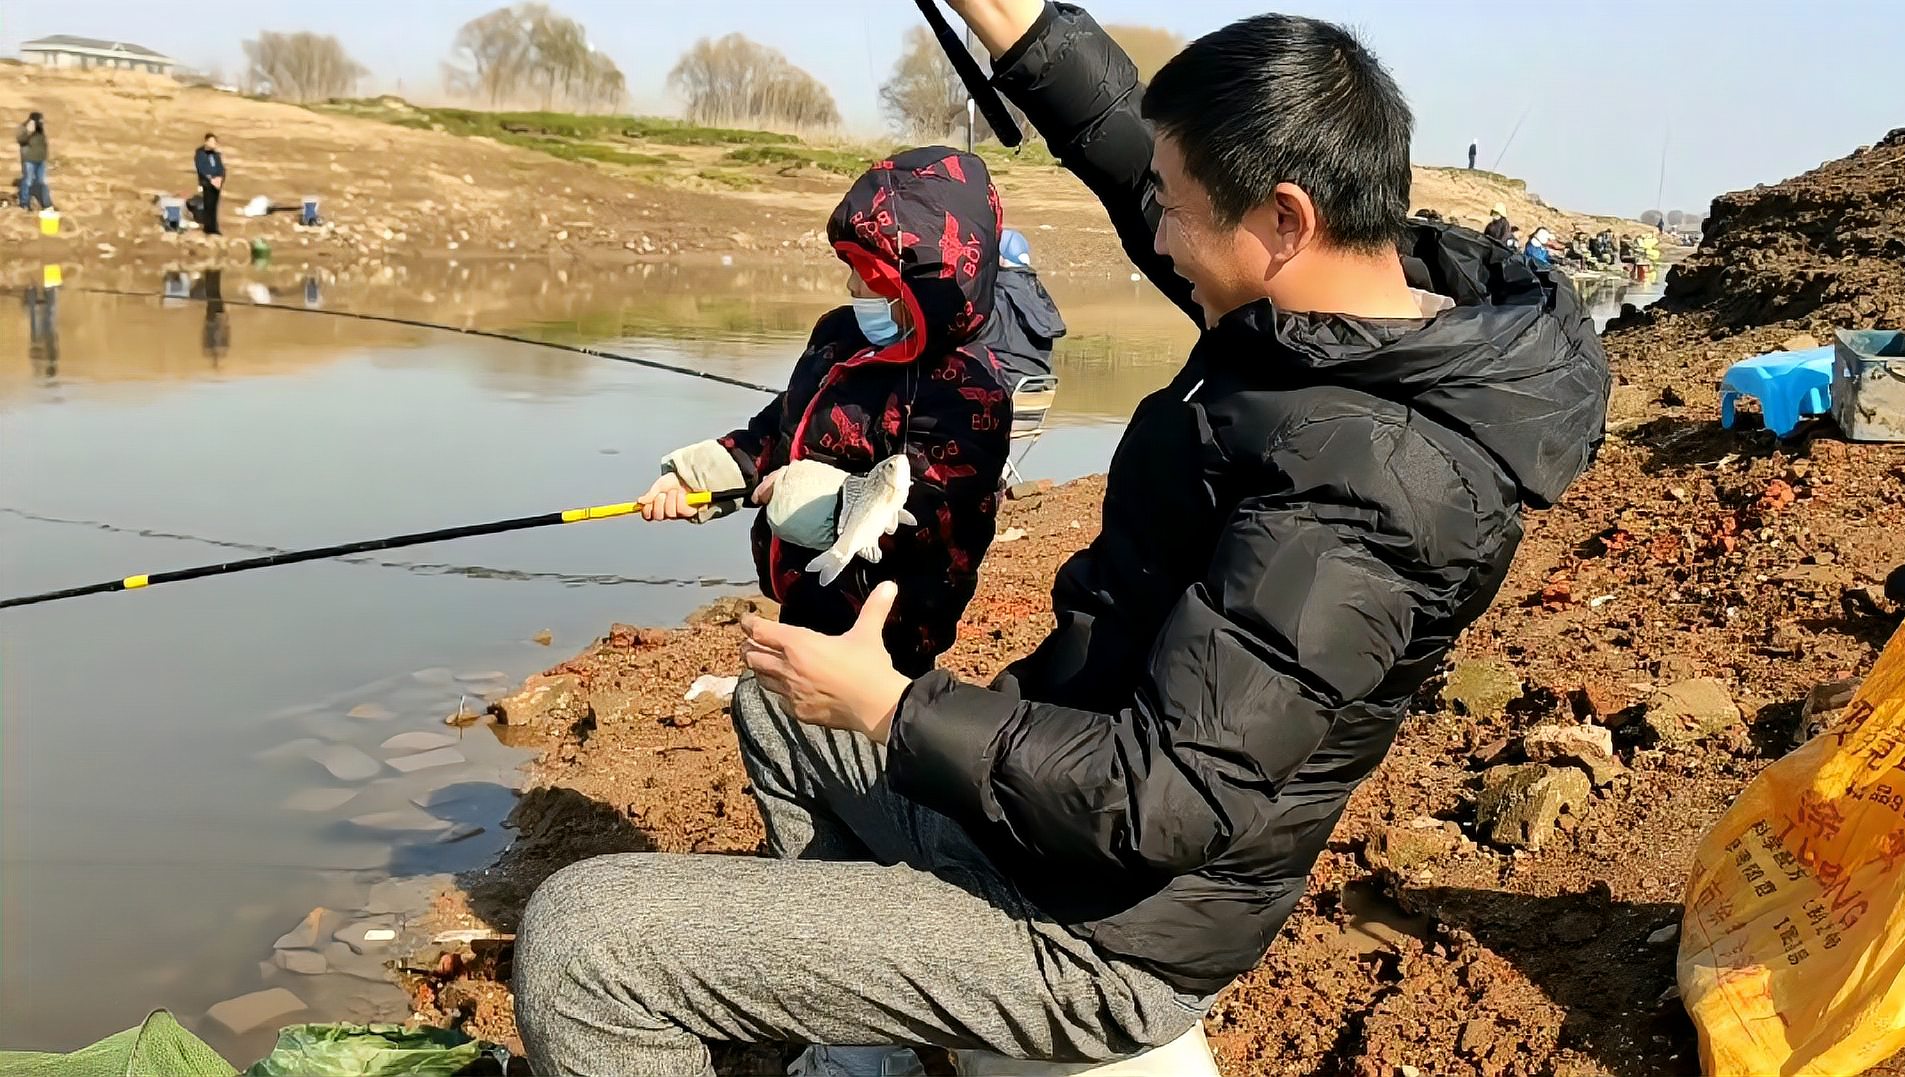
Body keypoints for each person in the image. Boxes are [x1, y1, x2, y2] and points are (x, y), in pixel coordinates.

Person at [512, 3, 1608, 1076]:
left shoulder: (1377, 482)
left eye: (1175, 212)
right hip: (1050, 825)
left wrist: (895, 709)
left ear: (1283, 220)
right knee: (776, 699)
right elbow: (1130, 147)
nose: (1155, 231)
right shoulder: (1334, 311)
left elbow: (1165, 794)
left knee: (583, 945)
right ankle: (866, 1045)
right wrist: (1016, 22)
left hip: (1105, 936)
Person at [635, 146, 1011, 679]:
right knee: (768, 705)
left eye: (870, 274)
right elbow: (780, 428)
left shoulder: (969, 389)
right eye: (850, 267)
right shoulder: (838, 336)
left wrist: (814, 501)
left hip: (885, 632)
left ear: (925, 284)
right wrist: (703, 474)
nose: (852, 286)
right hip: (805, 597)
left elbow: (935, 520)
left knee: (805, 720)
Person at [976, 227, 1067, 390]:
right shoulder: (1039, 295)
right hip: (1038, 389)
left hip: (1002, 388)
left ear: (1001, 259)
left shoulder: (991, 294)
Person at [16, 111, 52, 211]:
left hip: (41, 161)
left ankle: (47, 205)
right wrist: (29, 132)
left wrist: (46, 158)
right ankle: (24, 204)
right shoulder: (25, 128)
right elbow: (21, 140)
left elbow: (43, 144)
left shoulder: (40, 129)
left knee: (42, 182)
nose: (41, 122)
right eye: (40, 120)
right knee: (27, 181)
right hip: (29, 160)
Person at [194, 133, 224, 237]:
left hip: (217, 184)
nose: (213, 144)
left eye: (215, 142)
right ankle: (208, 228)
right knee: (208, 205)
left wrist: (220, 178)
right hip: (207, 183)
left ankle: (214, 228)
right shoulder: (200, 153)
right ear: (206, 141)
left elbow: (221, 168)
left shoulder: (216, 155)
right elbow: (201, 168)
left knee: (214, 206)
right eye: (211, 141)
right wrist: (211, 178)